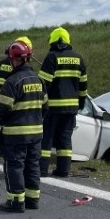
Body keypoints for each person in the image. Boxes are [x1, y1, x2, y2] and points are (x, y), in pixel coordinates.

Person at [0, 41, 47, 212]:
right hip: (36, 133)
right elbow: (45, 107)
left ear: (13, 60)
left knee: (14, 165)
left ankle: (16, 202)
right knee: (33, 165)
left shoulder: (12, 82)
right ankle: (32, 200)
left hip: (16, 134)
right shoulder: (39, 80)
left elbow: (1, 109)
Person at [38, 27, 88, 177]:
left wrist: (40, 105)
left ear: (53, 41)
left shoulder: (51, 57)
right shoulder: (79, 58)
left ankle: (42, 170)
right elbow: (83, 86)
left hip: (52, 108)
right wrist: (81, 104)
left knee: (46, 139)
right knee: (65, 139)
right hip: (71, 108)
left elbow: (43, 85)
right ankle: (63, 170)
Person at [0, 36, 33, 173]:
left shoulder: (4, 65)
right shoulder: (6, 66)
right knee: (0, 138)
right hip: (5, 108)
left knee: (1, 139)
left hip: (10, 108)